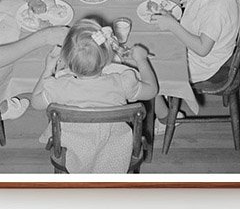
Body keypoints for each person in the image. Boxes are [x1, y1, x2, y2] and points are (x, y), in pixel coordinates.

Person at [32, 19, 158, 173]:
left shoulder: (59, 86)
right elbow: (152, 90)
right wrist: (141, 59)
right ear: (107, 59)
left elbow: (36, 102)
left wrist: (48, 68)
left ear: (65, 60)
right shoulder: (121, 82)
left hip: (74, 146)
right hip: (115, 147)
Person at [150, 0, 240, 126]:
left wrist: (172, 25)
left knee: (149, 68)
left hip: (200, 62)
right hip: (208, 46)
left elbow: (202, 48)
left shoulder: (217, 10)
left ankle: (163, 116)